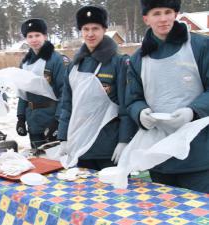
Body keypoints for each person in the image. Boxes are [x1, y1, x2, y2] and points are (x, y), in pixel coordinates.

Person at [125, 0, 209, 193]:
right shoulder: (138, 58)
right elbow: (133, 99)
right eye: (156, 13)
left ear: (176, 14)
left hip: (198, 153)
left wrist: (193, 111)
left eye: (168, 12)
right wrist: (140, 113)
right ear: (146, 19)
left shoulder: (200, 46)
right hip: (158, 154)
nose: (163, 19)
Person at [57, 5, 137, 169]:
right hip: (80, 144)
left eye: (95, 28)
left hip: (108, 147)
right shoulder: (74, 66)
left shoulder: (119, 63)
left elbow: (126, 106)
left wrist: (124, 140)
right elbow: (67, 105)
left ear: (104, 29)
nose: (90, 34)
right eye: (85, 29)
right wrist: (63, 137)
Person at [16, 18, 67, 149]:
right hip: (33, 120)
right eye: (30, 36)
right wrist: (21, 118)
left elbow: (65, 93)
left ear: (45, 36)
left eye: (37, 35)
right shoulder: (25, 63)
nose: (34, 39)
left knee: (55, 162)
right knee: (38, 160)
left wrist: (58, 120)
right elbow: (23, 92)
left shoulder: (57, 60)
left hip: (52, 117)